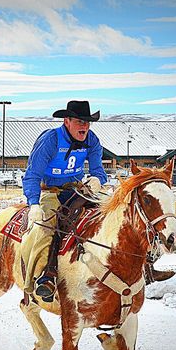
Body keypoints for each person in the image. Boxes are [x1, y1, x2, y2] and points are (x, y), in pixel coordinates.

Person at [20, 100, 108, 302]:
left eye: (87, 122)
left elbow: (98, 172)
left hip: (78, 190)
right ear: (67, 121)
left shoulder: (92, 140)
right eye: (79, 121)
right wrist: (33, 204)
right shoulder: (51, 140)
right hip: (50, 191)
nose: (84, 126)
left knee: (106, 217)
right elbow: (32, 174)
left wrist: (97, 180)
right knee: (47, 228)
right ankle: (42, 278)